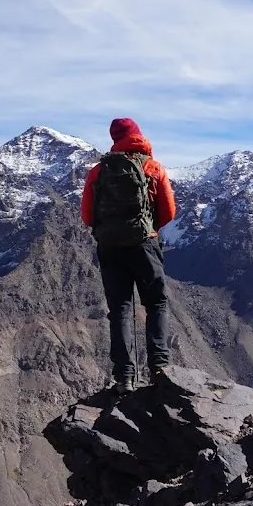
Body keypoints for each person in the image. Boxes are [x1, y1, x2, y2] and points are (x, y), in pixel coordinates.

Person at [81, 118, 177, 393]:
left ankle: (125, 377)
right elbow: (169, 212)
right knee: (156, 303)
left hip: (110, 248)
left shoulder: (98, 171)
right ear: (138, 136)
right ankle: (159, 368)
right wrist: (147, 228)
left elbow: (87, 216)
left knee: (121, 309)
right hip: (145, 245)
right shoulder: (153, 168)